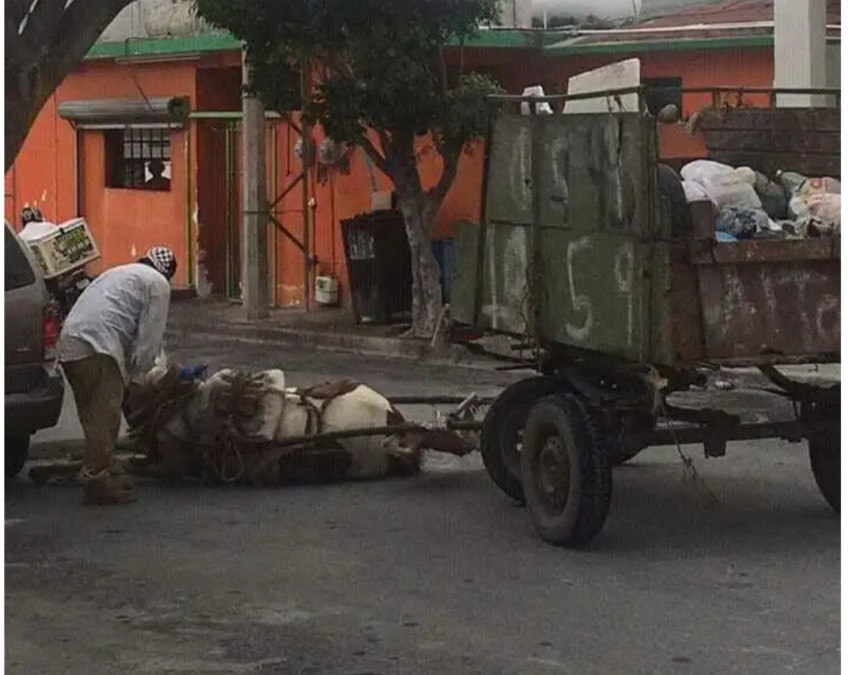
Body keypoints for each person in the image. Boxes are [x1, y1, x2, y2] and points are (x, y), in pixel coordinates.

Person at [57, 247, 177, 505]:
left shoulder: (121, 272)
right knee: (106, 417)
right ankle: (96, 480)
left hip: (70, 344)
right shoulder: (157, 284)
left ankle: (104, 465)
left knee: (92, 415)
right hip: (97, 346)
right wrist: (137, 379)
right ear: (166, 274)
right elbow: (149, 340)